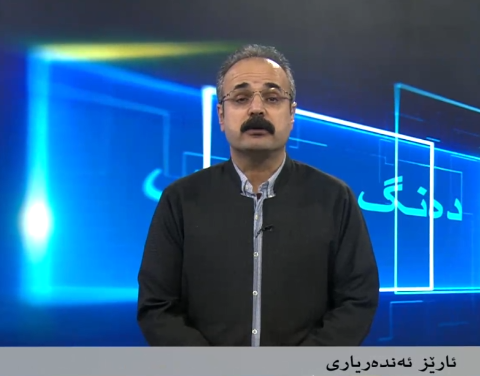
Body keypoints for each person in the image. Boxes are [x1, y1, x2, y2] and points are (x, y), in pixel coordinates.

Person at [137, 44, 379, 346]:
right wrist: (211, 370)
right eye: (240, 98)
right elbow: (157, 306)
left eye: (272, 98)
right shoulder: (180, 200)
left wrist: (301, 368)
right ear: (221, 115)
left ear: (292, 114)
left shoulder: (335, 198)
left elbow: (358, 300)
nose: (256, 109)